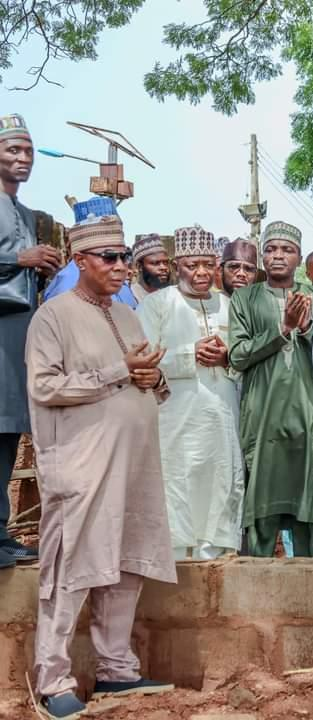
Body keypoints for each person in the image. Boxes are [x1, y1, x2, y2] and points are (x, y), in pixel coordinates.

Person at [26, 215, 175, 719]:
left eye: (123, 256)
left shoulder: (130, 316)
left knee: (125, 565)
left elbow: (146, 383)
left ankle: (117, 671)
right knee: (71, 570)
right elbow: (45, 387)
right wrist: (119, 372)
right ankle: (52, 680)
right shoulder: (53, 316)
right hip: (81, 467)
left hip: (132, 465)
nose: (120, 266)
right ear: (79, 261)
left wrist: (152, 378)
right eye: (108, 258)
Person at [137, 226, 244, 561]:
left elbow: (245, 357)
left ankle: (218, 557)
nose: (200, 272)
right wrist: (188, 354)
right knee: (178, 483)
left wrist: (228, 358)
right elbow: (142, 360)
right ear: (175, 264)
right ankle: (179, 563)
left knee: (223, 481)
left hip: (223, 413)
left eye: (207, 264)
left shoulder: (230, 304)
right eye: (191, 264)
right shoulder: (157, 305)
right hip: (176, 417)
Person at [228, 221, 313, 557]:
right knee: (261, 506)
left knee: (312, 505)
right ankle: (256, 595)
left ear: (298, 257)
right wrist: (281, 329)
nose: (277, 256)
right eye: (271, 249)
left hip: (309, 413)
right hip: (263, 415)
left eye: (286, 250)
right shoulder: (244, 298)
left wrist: (306, 327)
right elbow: (238, 355)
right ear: (262, 256)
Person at [0, 113, 56, 569]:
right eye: (12, 150)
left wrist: (40, 268)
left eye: (28, 152)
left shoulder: (23, 212)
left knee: (6, 431)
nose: (23, 159)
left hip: (18, 329)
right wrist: (22, 256)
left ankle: (2, 535)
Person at [130, 233, 171, 302]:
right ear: (139, 266)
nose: (163, 267)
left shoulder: (169, 298)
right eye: (155, 263)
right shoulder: (128, 297)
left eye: (165, 262)